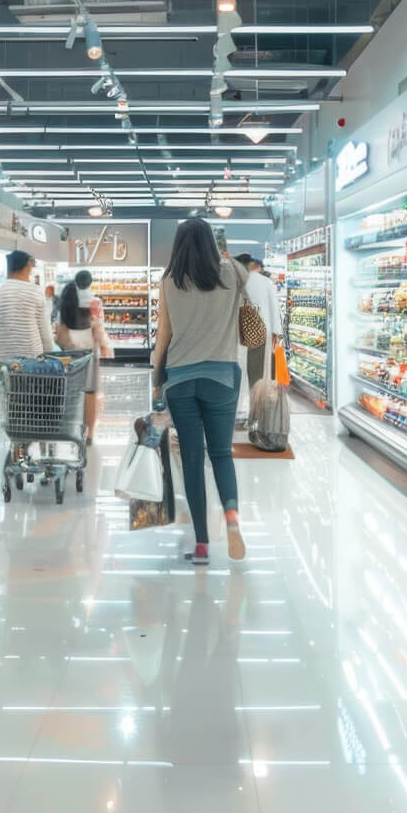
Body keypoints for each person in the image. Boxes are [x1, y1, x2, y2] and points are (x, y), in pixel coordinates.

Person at [151, 218, 250, 566]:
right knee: (221, 454)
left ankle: (203, 544)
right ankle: (233, 519)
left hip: (179, 380)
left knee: (193, 459)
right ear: (212, 242)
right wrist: (223, 254)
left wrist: (155, 381)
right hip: (222, 377)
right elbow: (242, 270)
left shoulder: (168, 282)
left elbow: (163, 337)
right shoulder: (233, 274)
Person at [54, 270, 112, 438]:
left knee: (70, 392)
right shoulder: (94, 302)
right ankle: (89, 433)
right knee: (90, 392)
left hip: (69, 352)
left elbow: (59, 331)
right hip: (89, 352)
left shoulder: (65, 301)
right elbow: (98, 328)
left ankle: (69, 428)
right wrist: (103, 347)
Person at [0, 249, 52, 361]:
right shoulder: (35, 292)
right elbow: (44, 328)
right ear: (28, 266)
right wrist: (49, 352)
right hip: (29, 358)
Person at [236, 254, 283, 402]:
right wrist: (278, 335)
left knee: (240, 371)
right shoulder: (266, 283)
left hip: (238, 335)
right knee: (260, 375)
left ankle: (240, 409)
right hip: (263, 333)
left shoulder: (235, 282)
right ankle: (257, 408)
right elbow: (275, 310)